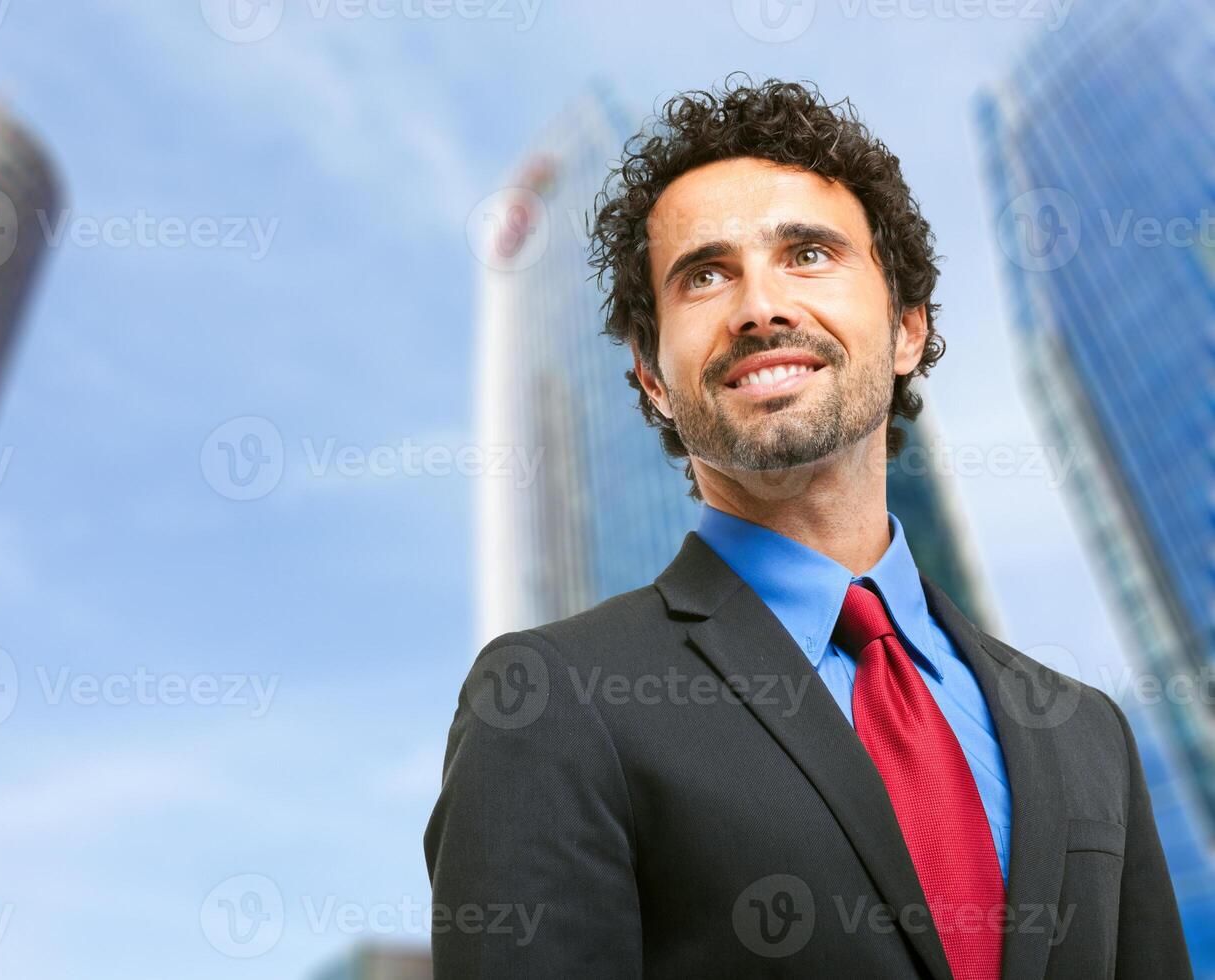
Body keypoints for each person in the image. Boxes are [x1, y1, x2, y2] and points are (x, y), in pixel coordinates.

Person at [424, 75, 1190, 978]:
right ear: (651, 379)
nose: (760, 306)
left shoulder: (1085, 730)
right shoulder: (550, 698)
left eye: (808, 254)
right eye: (704, 275)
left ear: (907, 330)